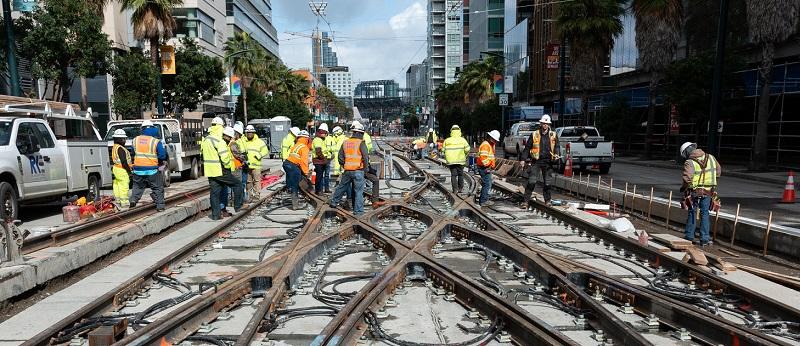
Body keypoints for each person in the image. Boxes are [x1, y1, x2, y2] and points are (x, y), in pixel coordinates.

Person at [201, 118, 244, 220]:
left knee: (215, 193)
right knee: (237, 184)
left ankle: (216, 215)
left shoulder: (206, 139)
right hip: (220, 170)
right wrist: (229, 167)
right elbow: (224, 158)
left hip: (210, 171)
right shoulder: (219, 140)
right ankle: (238, 206)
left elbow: (202, 155)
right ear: (221, 126)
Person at [680, 142, 722, 247]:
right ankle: (705, 239)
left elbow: (687, 178)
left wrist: (684, 188)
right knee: (705, 213)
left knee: (692, 212)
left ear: (686, 152)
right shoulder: (711, 157)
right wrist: (711, 181)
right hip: (708, 191)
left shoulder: (689, 162)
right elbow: (718, 170)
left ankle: (689, 236)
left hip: (694, 191)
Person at [329, 123, 370, 216]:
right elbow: (366, 157)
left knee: (341, 187)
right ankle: (358, 211)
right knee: (358, 191)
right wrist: (366, 169)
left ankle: (334, 202)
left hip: (347, 170)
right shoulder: (361, 143)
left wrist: (345, 165)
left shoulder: (345, 142)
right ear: (359, 133)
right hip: (358, 171)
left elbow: (340, 157)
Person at [520, 114, 559, 206]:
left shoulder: (553, 135)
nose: (545, 125)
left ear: (549, 124)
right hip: (536, 161)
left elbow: (557, 146)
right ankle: (525, 201)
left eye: (546, 123)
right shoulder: (534, 134)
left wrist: (557, 155)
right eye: (543, 123)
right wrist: (523, 159)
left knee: (547, 183)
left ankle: (548, 200)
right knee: (532, 181)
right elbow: (527, 147)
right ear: (541, 123)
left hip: (548, 162)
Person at [129, 120, 167, 211]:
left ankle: (133, 199)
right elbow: (162, 155)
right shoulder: (155, 141)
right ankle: (160, 206)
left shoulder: (135, 140)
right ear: (153, 129)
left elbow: (133, 153)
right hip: (152, 169)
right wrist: (159, 161)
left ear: (142, 129)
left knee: (137, 186)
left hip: (138, 168)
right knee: (157, 188)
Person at [284, 130, 311, 210]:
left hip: (286, 163)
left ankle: (289, 189)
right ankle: (295, 205)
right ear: (307, 139)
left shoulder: (296, 144)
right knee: (295, 184)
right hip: (293, 165)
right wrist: (306, 173)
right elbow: (303, 161)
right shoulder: (304, 147)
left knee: (292, 182)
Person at [241, 125, 268, 200]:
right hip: (247, 165)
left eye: (251, 132)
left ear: (253, 133)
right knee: (248, 182)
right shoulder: (243, 141)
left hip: (256, 165)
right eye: (248, 132)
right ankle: (250, 195)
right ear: (246, 133)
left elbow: (265, 150)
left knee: (257, 181)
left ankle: (256, 195)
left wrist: (259, 155)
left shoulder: (259, 142)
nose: (249, 134)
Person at [442, 125, 470, 194]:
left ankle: (455, 190)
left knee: (453, 175)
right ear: (459, 131)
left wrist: (447, 156)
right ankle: (460, 188)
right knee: (460, 175)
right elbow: (468, 149)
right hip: (461, 161)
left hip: (451, 161)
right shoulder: (462, 140)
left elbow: (443, 151)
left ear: (451, 131)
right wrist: (465, 155)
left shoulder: (447, 140)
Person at [477, 130, 500, 207]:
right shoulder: (486, 145)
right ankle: (483, 201)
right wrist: (488, 165)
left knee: (487, 183)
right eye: (494, 139)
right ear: (491, 138)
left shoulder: (489, 144)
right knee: (487, 184)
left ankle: (484, 199)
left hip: (486, 167)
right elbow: (484, 158)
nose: (495, 141)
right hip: (484, 167)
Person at [111, 129, 132, 208]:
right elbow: (124, 161)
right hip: (122, 169)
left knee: (117, 185)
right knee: (124, 185)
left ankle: (118, 201)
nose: (125, 140)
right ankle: (125, 202)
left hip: (116, 168)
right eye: (123, 139)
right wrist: (129, 171)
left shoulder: (115, 147)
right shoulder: (120, 148)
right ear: (119, 139)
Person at [312, 123, 331, 194]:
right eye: (326, 133)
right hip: (319, 161)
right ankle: (318, 190)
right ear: (322, 132)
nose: (326, 135)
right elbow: (318, 151)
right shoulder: (317, 140)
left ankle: (319, 190)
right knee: (319, 176)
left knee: (320, 176)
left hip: (320, 161)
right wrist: (324, 159)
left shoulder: (321, 139)